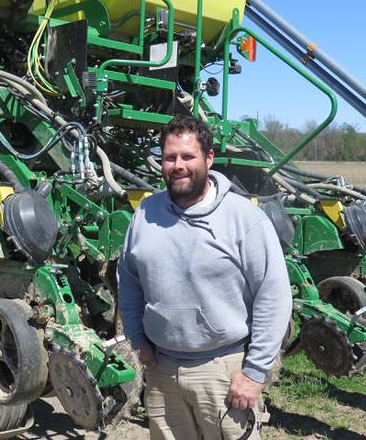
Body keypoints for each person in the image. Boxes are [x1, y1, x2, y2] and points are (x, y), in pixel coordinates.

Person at [118, 115, 291, 439]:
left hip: (224, 372)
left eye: (188, 156)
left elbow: (274, 294)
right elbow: (128, 278)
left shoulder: (243, 218)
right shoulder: (145, 213)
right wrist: (137, 338)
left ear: (209, 158)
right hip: (162, 371)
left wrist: (254, 373)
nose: (178, 165)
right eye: (170, 157)